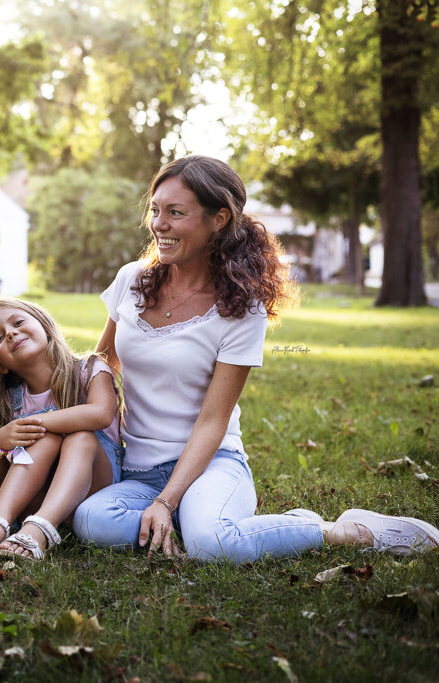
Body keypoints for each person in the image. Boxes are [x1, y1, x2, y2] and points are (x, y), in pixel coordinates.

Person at [72, 155, 439, 562]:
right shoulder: (131, 280)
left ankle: (340, 530)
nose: (159, 224)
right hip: (140, 471)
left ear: (219, 220)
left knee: (212, 544)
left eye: (175, 213)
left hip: (212, 464)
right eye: (155, 210)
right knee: (91, 521)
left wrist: (167, 500)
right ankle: (191, 523)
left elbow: (213, 421)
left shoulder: (241, 306)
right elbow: (101, 366)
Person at [0, 298, 121, 561]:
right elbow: (1, 481)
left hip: (95, 490)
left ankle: (39, 530)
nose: (11, 333)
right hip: (39, 497)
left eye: (18, 322)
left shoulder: (90, 370)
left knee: (79, 438)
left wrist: (37, 422)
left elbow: (101, 414)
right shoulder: (10, 399)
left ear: (44, 326)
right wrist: (1, 444)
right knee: (45, 440)